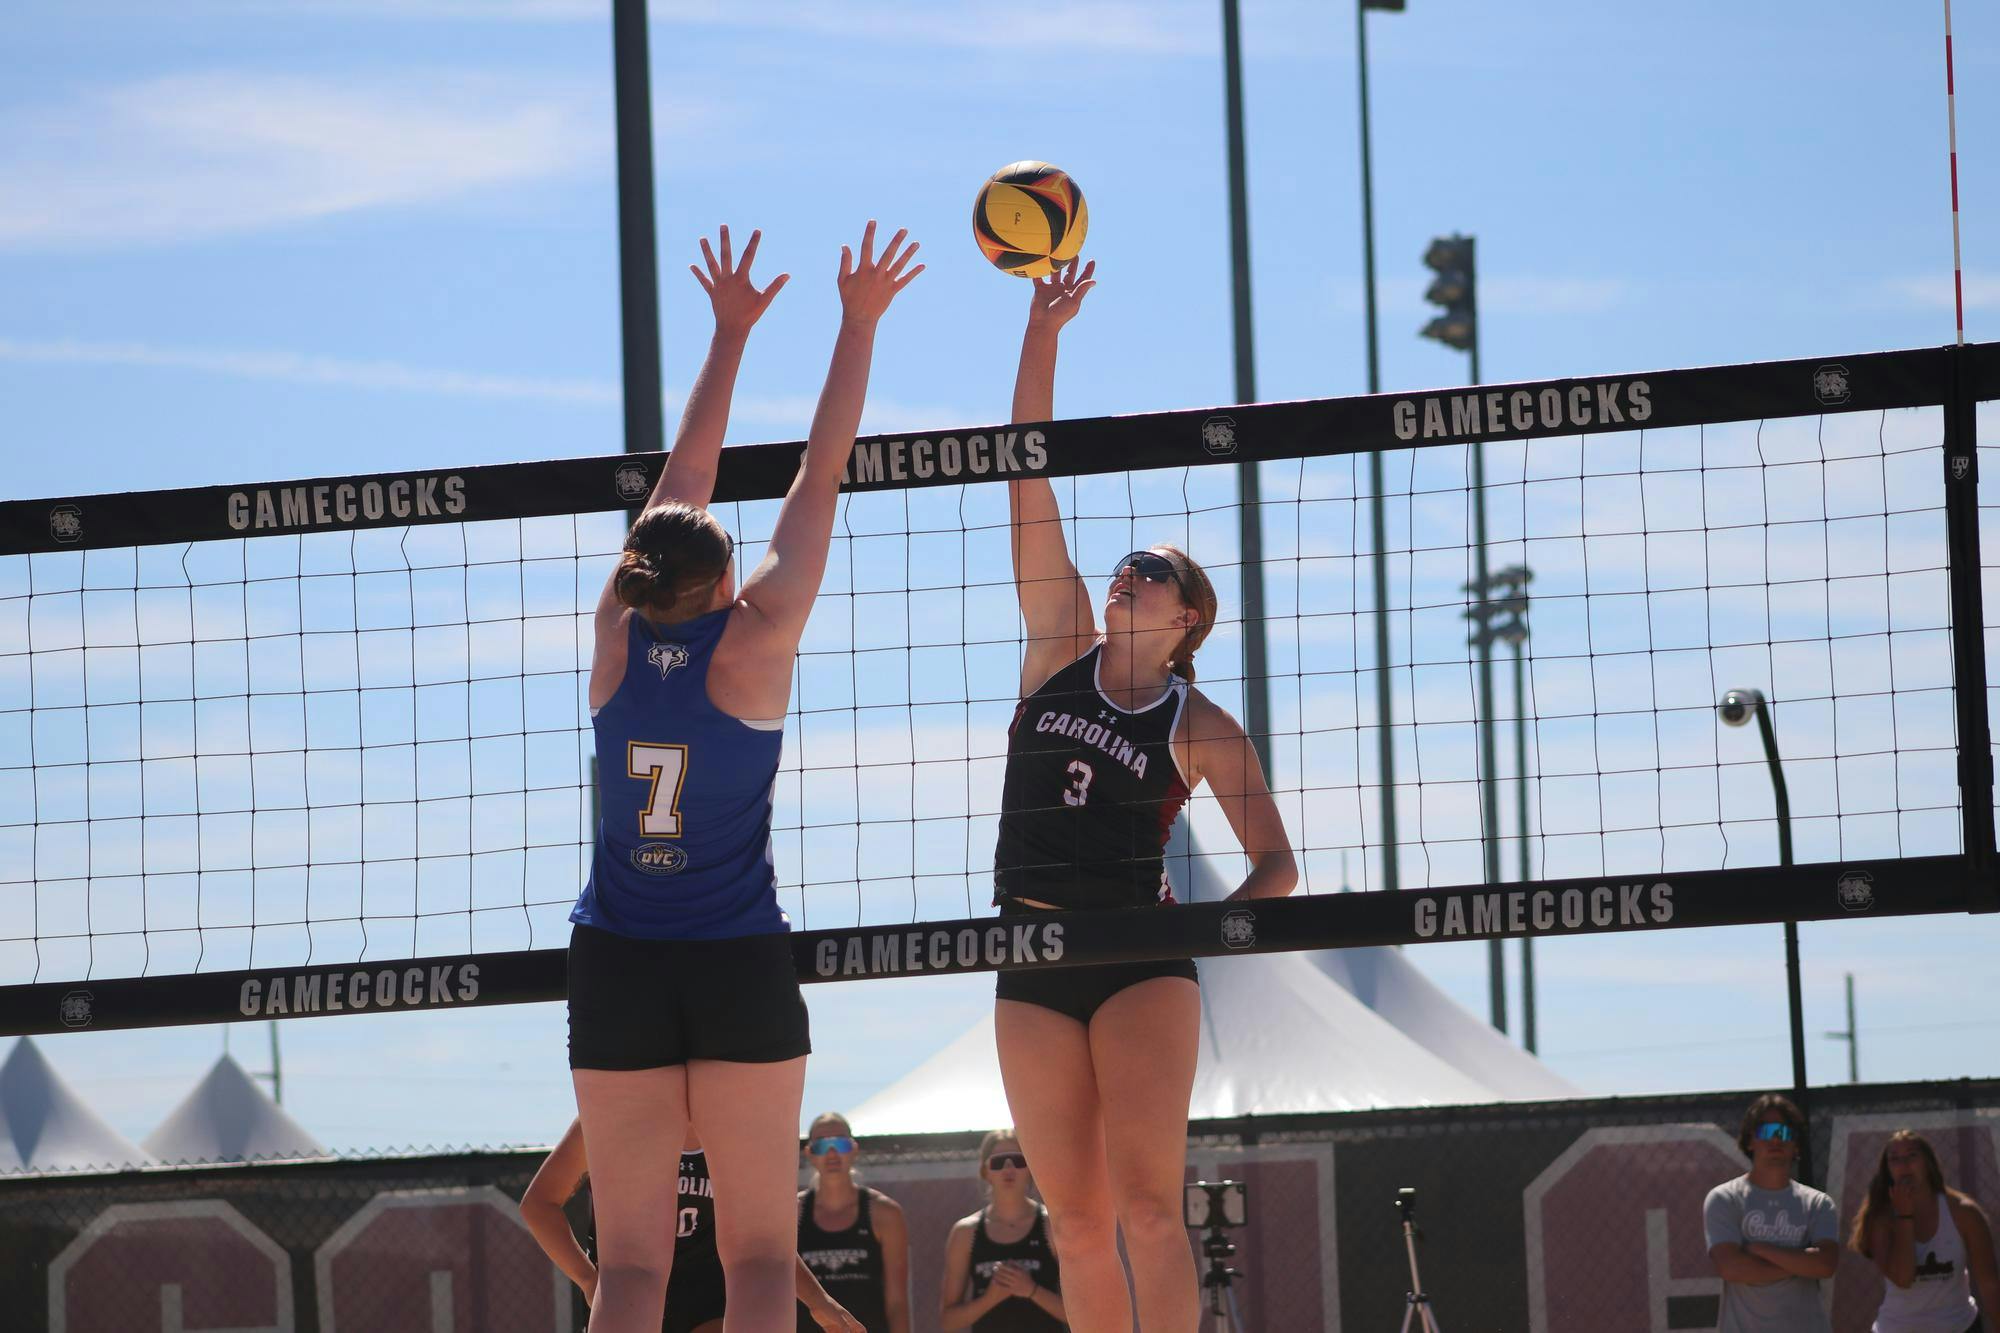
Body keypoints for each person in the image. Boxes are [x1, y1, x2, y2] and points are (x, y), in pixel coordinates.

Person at [568, 221, 923, 1333]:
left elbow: (679, 486)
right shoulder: (755, 643)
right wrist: (856, 323)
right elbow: (822, 470)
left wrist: (725, 339)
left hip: (618, 959)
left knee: (629, 1269)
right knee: (762, 1256)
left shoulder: (616, 635)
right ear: (722, 578)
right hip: (731, 958)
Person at [990, 258, 1298, 1333]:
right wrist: (1043, 334)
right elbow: (1025, 480)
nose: (1126, 574)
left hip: (1135, 958)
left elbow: (1279, 863)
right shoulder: (1057, 647)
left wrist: (1214, 927)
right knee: (1071, 1221)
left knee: (1143, 1210)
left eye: (1150, 570)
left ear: (1186, 619)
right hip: (1027, 951)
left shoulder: (1198, 724)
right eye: (1124, 563)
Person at [519, 1117, 866, 1332]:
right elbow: (539, 1204)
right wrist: (587, 1279)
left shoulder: (735, 1129)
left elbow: (761, 1239)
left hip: (707, 1288)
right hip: (629, 1283)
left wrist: (819, 1301)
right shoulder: (610, 1119)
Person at [1703, 1092, 1841, 1332]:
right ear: (1749, 1141)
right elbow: (1731, 1268)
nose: (1776, 1139)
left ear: (1796, 1144)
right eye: (1767, 1131)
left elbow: (1825, 1265)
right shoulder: (1724, 1198)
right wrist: (1800, 1263)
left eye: (1785, 1132)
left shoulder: (1819, 1203)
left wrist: (1760, 1249)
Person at [1850, 1129, 2000, 1332]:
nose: (1904, 1164)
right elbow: (1903, 1278)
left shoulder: (1964, 1212)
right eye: (1894, 1159)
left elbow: (1989, 1284)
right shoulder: (1880, 1217)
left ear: (1928, 1163)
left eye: (1912, 1155)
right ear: (1888, 1170)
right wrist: (1905, 1216)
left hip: (1958, 1326)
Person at [940, 1129, 1067, 1330]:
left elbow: (1081, 1310)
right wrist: (991, 1298)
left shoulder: (1052, 1226)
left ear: (1031, 1167)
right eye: (998, 1162)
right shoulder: (965, 1233)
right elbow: (949, 1322)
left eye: (1018, 1160)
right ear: (985, 1171)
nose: (1008, 1168)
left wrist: (1031, 1290)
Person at [795, 1113, 911, 1333]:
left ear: (854, 1149)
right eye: (821, 1146)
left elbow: (897, 1301)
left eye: (839, 1143)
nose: (832, 1153)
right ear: (809, 1153)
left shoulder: (885, 1213)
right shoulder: (794, 1212)